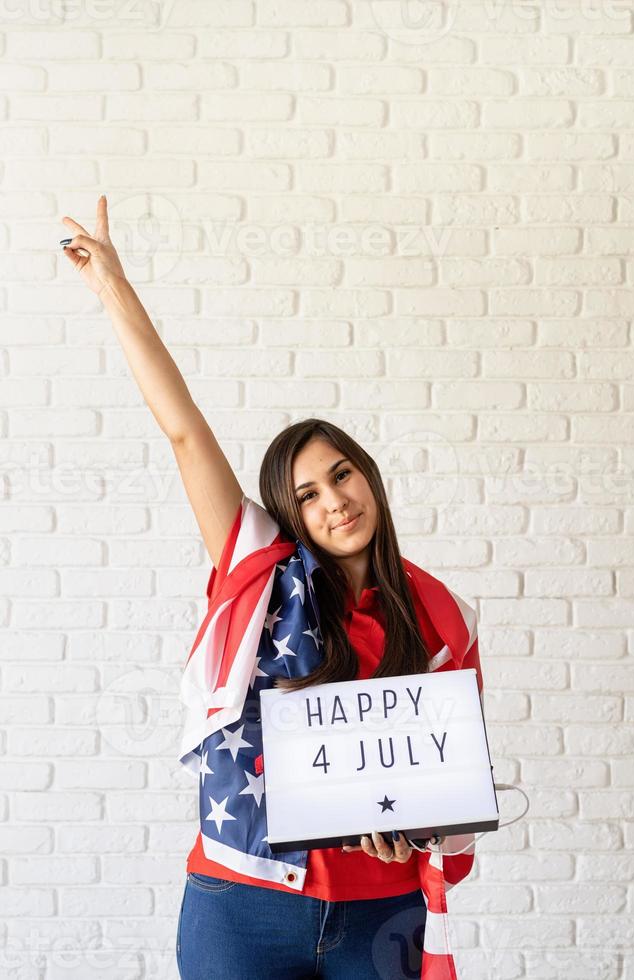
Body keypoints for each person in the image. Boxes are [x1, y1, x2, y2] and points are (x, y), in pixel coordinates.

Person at [61, 197, 484, 980]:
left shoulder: (440, 610)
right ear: (290, 514)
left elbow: (451, 771)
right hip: (242, 904)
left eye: (343, 475)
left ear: (370, 476)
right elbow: (184, 429)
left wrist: (416, 831)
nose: (335, 502)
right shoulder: (260, 567)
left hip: (381, 910)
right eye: (310, 494)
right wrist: (113, 286)